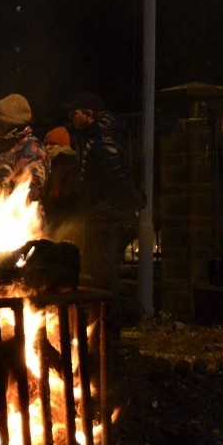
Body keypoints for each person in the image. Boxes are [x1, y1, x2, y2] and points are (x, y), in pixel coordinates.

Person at [65, 91, 146, 330]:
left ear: (88, 114)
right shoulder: (97, 136)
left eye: (74, 113)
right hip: (102, 213)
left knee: (104, 271)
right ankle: (127, 315)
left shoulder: (103, 138)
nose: (71, 118)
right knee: (102, 271)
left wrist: (131, 201)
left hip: (106, 215)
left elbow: (117, 175)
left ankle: (122, 317)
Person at [0, 93, 49, 203]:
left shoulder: (31, 151)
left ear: (10, 124)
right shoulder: (4, 148)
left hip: (19, 218)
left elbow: (29, 195)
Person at [42, 125, 82, 244]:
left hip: (66, 219)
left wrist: (58, 197)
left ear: (62, 146)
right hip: (53, 217)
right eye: (46, 144)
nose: (47, 147)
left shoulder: (70, 165)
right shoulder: (49, 165)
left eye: (52, 144)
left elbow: (73, 191)